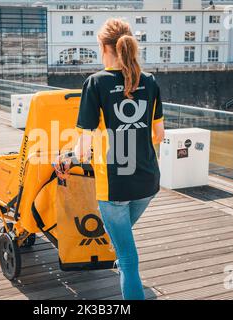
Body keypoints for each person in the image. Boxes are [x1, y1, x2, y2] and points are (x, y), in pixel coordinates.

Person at [58, 19, 165, 300]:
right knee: (121, 240)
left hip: (115, 185)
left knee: (128, 259)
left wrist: (67, 156)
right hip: (148, 183)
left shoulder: (96, 83)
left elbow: (82, 148)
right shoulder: (150, 81)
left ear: (104, 48)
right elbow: (159, 134)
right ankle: (121, 257)